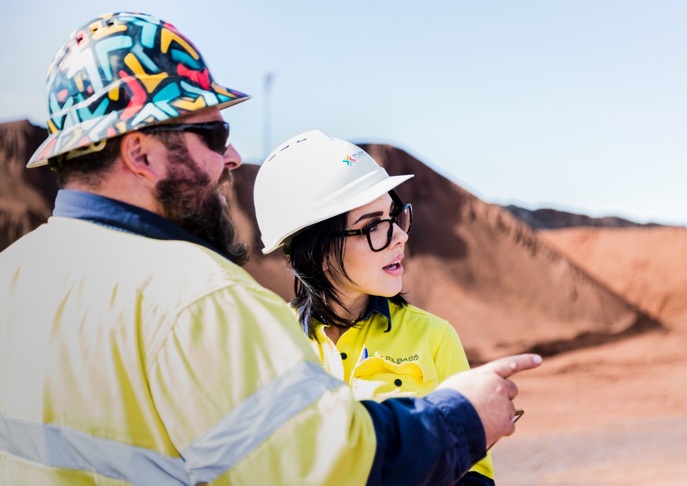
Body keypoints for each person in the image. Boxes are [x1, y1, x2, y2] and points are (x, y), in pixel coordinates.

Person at [0, 11, 541, 485]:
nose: (232, 155)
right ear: (141, 154)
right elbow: (326, 466)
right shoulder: (193, 297)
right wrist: (462, 418)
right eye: (212, 133)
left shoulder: (14, 277)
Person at [253, 130, 496, 485]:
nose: (400, 236)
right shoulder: (266, 345)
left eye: (394, 216)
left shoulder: (434, 337)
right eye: (373, 227)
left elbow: (474, 475)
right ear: (317, 251)